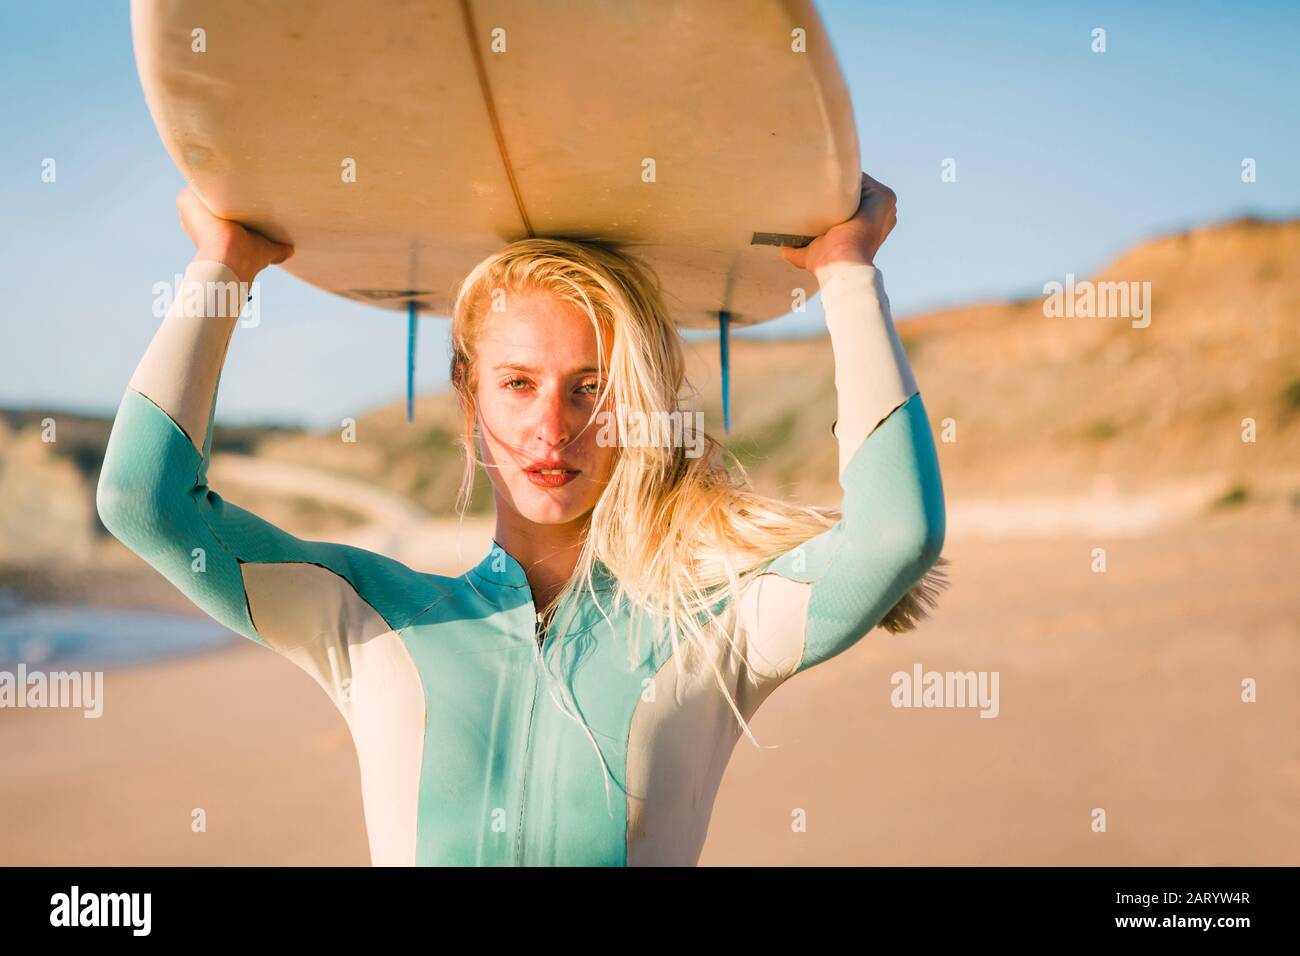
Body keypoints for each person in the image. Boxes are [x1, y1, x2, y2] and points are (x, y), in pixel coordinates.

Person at [97, 172, 948, 866]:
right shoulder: (369, 619)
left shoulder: (714, 629)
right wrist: (222, 268)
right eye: (517, 384)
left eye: (591, 387)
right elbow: (145, 502)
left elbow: (893, 535)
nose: (553, 427)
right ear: (470, 402)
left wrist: (847, 274)